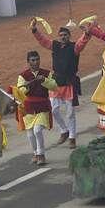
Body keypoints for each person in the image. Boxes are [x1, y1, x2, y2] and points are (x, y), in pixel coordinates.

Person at [30, 19, 92, 148]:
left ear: (69, 36)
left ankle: (72, 138)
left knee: (70, 113)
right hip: (56, 83)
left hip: (69, 83)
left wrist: (86, 34)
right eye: (61, 35)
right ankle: (64, 130)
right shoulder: (54, 45)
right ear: (59, 37)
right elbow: (42, 40)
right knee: (54, 110)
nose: (63, 37)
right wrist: (35, 30)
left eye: (65, 35)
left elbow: (82, 42)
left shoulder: (74, 47)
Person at [15, 51, 57, 165]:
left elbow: (54, 87)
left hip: (42, 106)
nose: (36, 62)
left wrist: (44, 80)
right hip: (28, 108)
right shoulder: (23, 76)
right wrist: (27, 86)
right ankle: (35, 152)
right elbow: (20, 92)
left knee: (37, 130)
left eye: (37, 59)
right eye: (33, 60)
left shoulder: (46, 73)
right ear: (28, 62)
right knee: (30, 134)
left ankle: (41, 154)